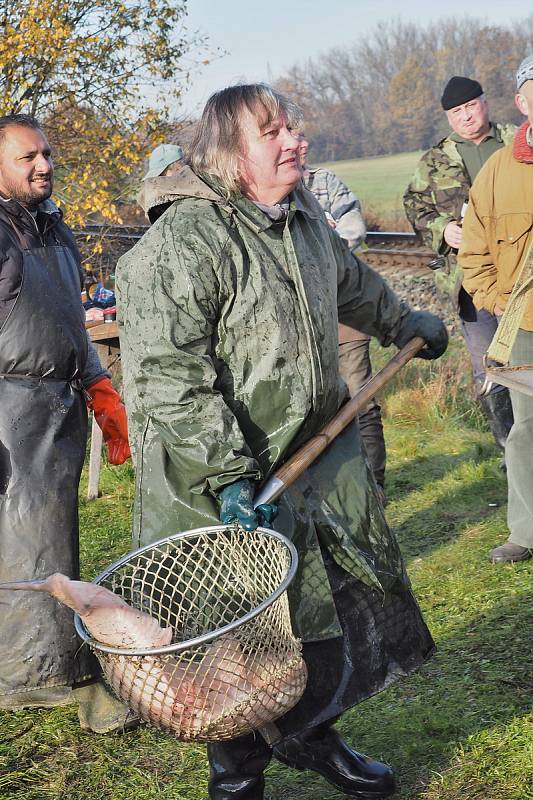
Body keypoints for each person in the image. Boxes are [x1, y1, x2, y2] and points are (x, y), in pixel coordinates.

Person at [116, 84, 448, 800]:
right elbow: (168, 375)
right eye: (273, 132)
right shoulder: (185, 241)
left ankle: (314, 734)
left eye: (292, 126)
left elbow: (350, 283)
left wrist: (402, 322)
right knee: (238, 630)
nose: (294, 140)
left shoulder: (299, 218)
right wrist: (229, 472)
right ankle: (236, 776)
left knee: (325, 603)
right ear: (234, 156)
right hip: (218, 474)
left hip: (311, 453)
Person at [0, 113, 133, 731]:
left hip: (59, 404)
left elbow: (69, 317)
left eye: (46, 154)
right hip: (9, 412)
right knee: (30, 543)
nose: (43, 165)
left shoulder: (51, 228)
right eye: (27, 157)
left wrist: (98, 382)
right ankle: (50, 678)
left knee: (54, 538)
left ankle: (42, 666)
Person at [404, 77, 515, 457]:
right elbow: (415, 204)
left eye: (471, 106)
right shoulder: (435, 161)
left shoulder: (519, 140)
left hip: (523, 275)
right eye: (456, 112)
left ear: (485, 103)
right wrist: (442, 228)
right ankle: (509, 451)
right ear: (448, 117)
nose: (466, 116)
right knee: (490, 366)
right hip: (469, 281)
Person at [459, 55, 533, 565]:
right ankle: (525, 532)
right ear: (523, 103)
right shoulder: (496, 170)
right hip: (523, 323)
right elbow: (475, 250)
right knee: (526, 429)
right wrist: (492, 298)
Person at [298, 131, 387, 502]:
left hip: (344, 311)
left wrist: (319, 241)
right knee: (310, 404)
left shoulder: (326, 184)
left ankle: (374, 485)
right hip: (298, 320)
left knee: (360, 397)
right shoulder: (259, 191)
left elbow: (352, 231)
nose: (296, 146)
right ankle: (325, 488)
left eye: (301, 138)